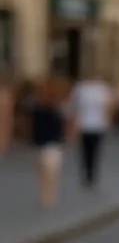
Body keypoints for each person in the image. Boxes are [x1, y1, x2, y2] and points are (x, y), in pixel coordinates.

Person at [69, 71, 113, 188]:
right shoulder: (80, 89)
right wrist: (74, 126)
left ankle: (92, 173)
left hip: (98, 125)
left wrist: (107, 122)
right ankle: (86, 173)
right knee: (85, 151)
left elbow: (107, 107)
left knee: (95, 150)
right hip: (83, 125)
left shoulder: (103, 89)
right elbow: (75, 108)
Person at [29, 78, 68, 207]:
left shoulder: (56, 107)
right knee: (44, 171)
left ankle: (48, 196)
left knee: (49, 171)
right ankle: (46, 196)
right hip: (44, 142)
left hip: (51, 143)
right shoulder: (38, 107)